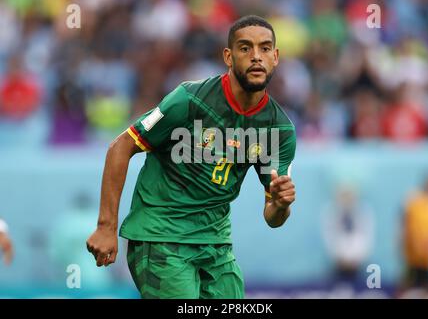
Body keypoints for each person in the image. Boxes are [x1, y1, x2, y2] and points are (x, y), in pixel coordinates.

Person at [87, 15, 297, 299]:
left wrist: (281, 203)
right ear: (228, 56)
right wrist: (105, 227)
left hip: (216, 245)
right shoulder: (189, 99)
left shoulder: (279, 129)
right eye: (245, 48)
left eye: (264, 48)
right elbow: (120, 147)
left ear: (276, 57)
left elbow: (273, 217)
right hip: (160, 236)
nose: (256, 57)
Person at [399, 175, 428, 297]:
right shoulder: (414, 200)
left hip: (427, 256)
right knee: (407, 285)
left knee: (427, 286)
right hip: (412, 254)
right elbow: (406, 225)